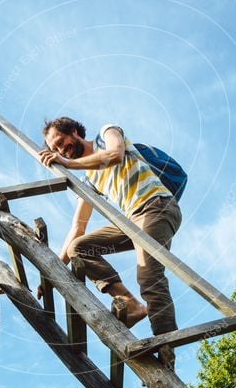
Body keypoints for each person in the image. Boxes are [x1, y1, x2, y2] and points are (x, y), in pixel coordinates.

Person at [37, 117, 182, 349]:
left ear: (74, 132)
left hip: (155, 205)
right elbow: (78, 227)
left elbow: (115, 155)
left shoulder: (106, 134)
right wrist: (52, 271)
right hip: (131, 221)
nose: (60, 149)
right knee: (79, 248)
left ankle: (167, 353)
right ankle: (130, 303)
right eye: (54, 149)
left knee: (149, 277)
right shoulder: (89, 180)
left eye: (61, 142)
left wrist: (66, 162)